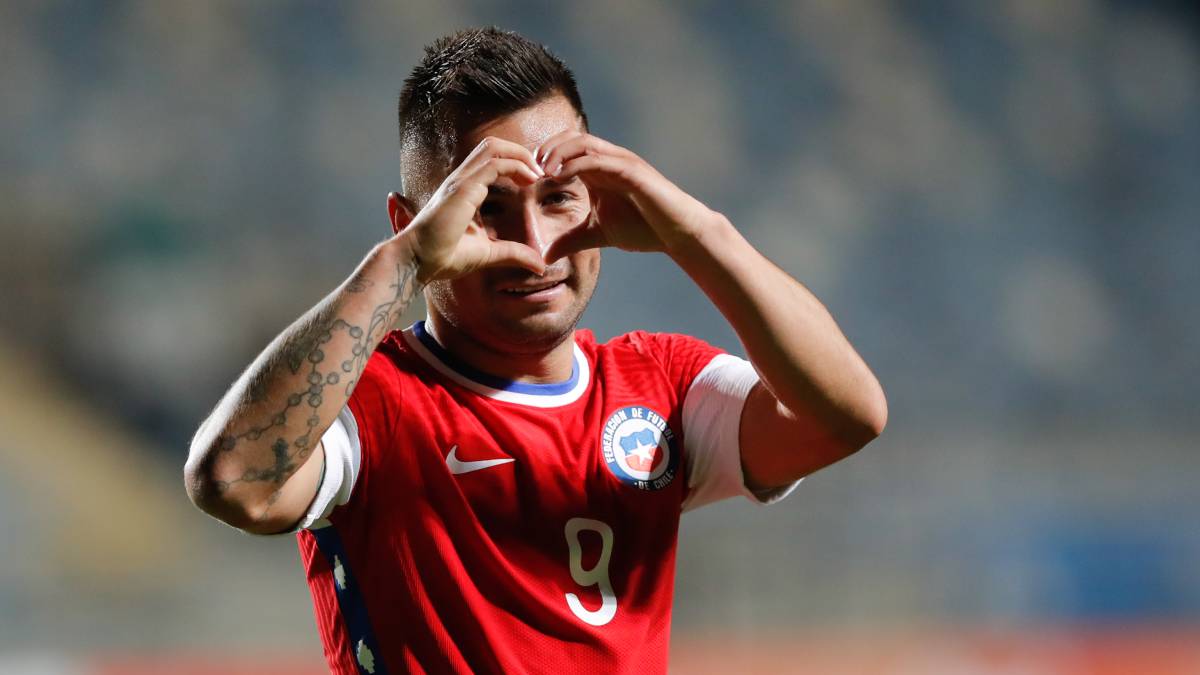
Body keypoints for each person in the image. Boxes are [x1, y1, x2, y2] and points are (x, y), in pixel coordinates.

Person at [184, 27, 886, 675]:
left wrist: (697, 233)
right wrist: (402, 263)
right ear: (413, 222)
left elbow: (846, 417)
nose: (535, 246)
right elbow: (234, 482)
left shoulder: (659, 385)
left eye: (558, 198)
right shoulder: (371, 402)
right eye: (487, 207)